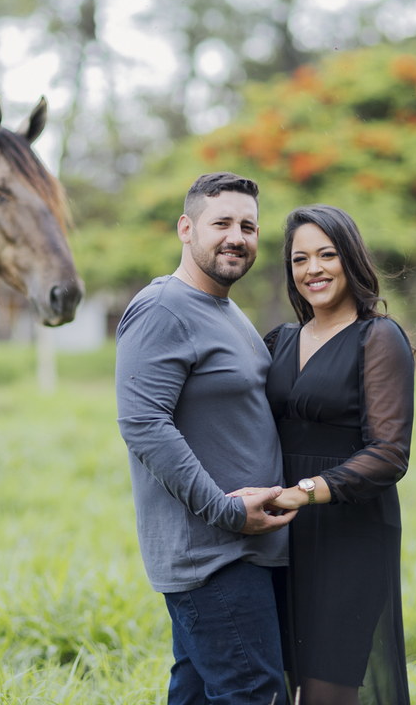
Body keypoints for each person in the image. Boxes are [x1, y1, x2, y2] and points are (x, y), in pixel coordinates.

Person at [115, 172, 297, 705]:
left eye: (248, 227)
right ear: (186, 228)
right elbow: (144, 424)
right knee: (255, 695)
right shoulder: (162, 308)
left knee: (198, 695)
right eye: (221, 223)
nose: (236, 237)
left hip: (243, 548)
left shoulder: (224, 308)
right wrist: (226, 511)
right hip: (214, 554)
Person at [234, 204, 414, 705]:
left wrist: (303, 493)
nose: (313, 269)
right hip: (276, 531)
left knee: (325, 689)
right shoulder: (279, 340)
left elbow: (390, 453)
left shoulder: (378, 337)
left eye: (327, 255)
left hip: (348, 532)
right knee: (273, 682)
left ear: (350, 258)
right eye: (300, 259)